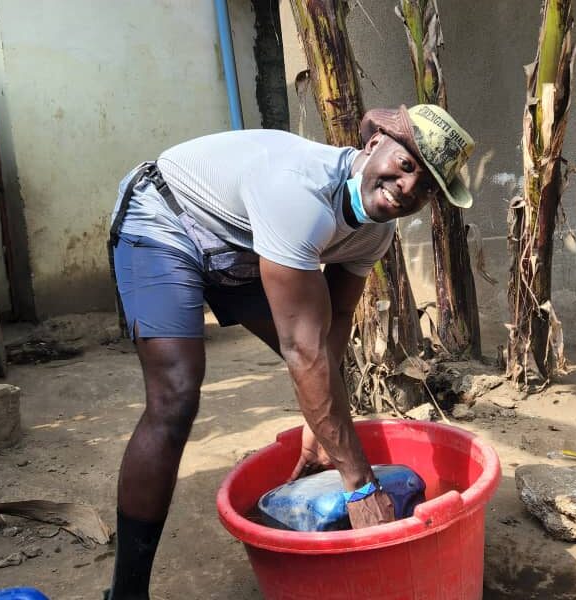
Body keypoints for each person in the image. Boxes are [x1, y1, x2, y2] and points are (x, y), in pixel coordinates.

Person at [105, 103, 475, 599]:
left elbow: (335, 323)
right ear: (373, 145)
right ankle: (126, 593)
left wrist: (316, 428)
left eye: (427, 186)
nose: (409, 188)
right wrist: (361, 485)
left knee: (316, 360)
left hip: (240, 244)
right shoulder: (299, 192)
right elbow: (304, 351)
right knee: (176, 393)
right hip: (165, 214)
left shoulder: (375, 232)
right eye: (406, 165)